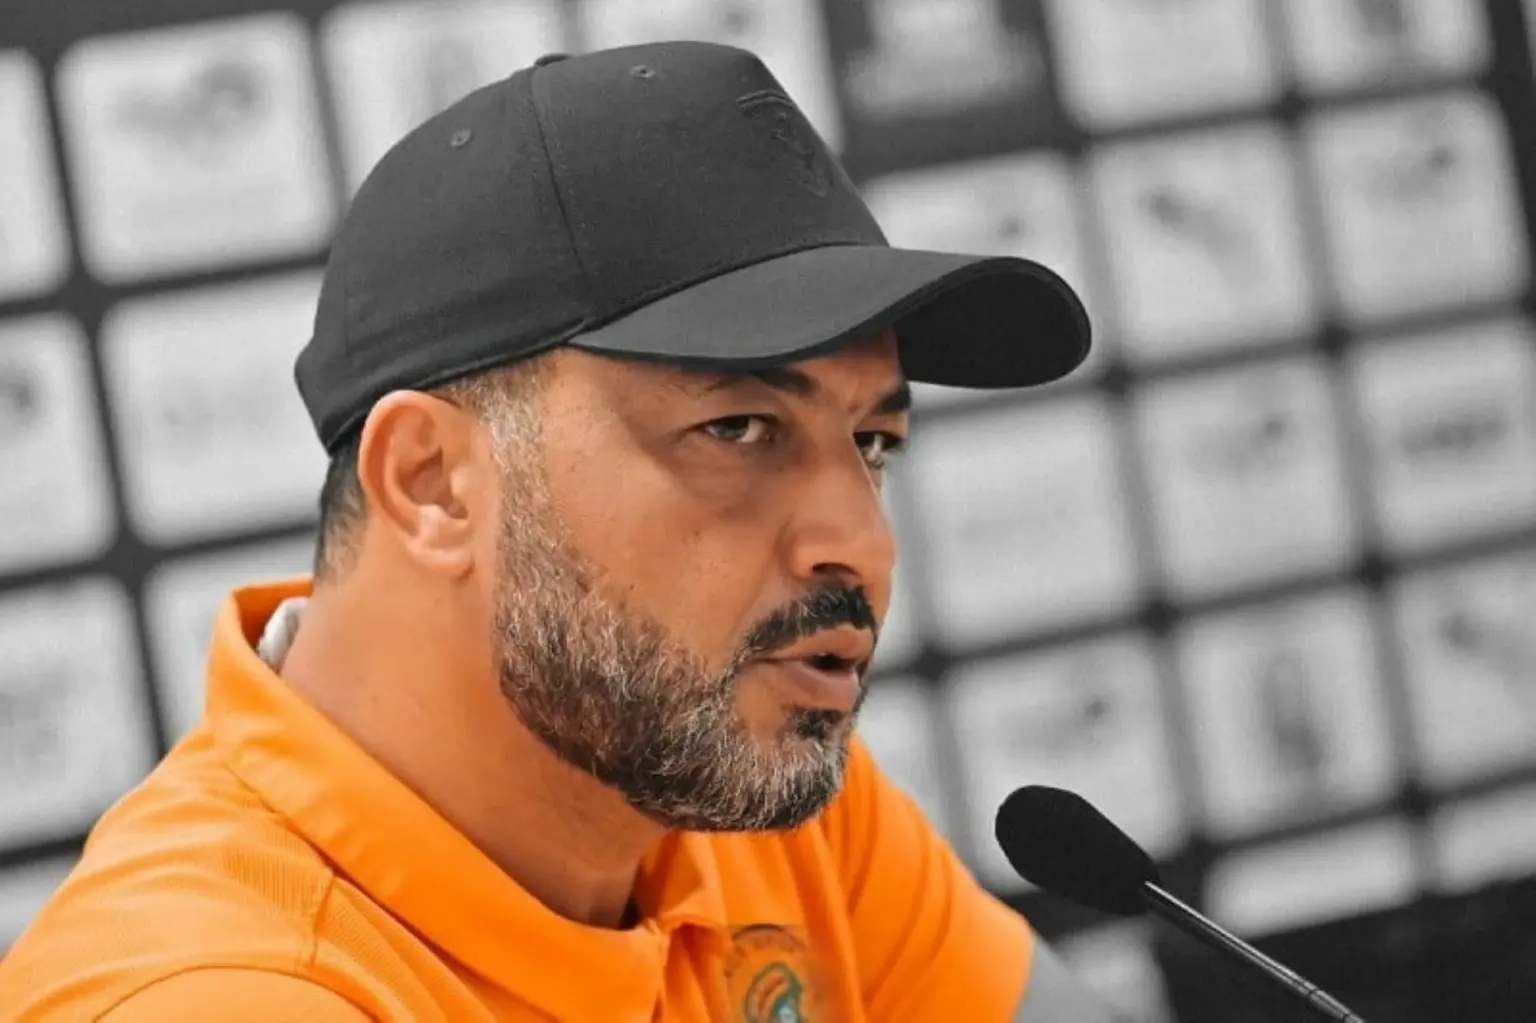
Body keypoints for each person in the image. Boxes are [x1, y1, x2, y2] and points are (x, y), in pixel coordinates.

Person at [0, 42, 1115, 1022]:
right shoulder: (214, 994)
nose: (862, 544)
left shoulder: (744, 789)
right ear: (432, 484)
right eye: (736, 428)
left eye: (871, 444)